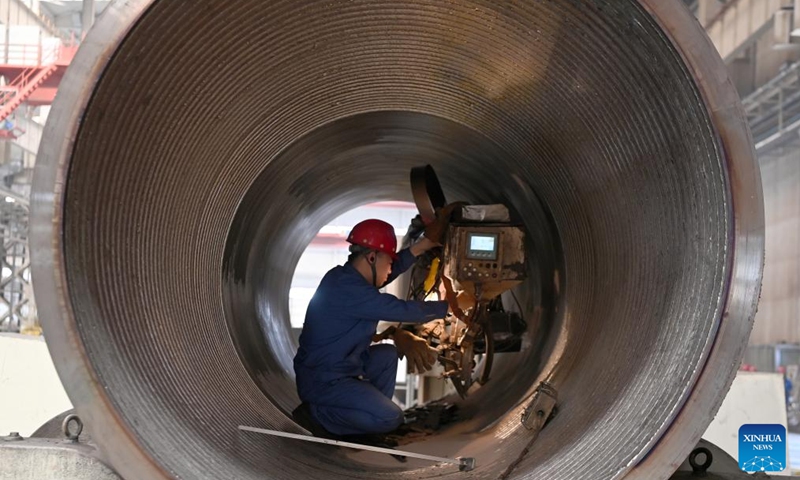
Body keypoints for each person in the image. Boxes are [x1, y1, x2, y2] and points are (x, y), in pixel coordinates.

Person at [292, 216, 454, 441]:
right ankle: (318, 415)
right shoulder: (347, 288)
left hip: (345, 368)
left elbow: (389, 272)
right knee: (390, 418)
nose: (391, 270)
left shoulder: (351, 280)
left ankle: (367, 421)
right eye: (389, 263)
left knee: (387, 354)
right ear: (371, 257)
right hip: (324, 380)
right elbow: (399, 309)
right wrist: (449, 306)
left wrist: (421, 246)